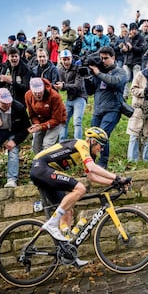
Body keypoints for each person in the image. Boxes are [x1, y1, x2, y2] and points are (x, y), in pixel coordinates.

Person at [30, 126, 129, 267]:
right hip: (41, 167)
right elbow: (94, 169)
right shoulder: (82, 144)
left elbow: (91, 176)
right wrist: (118, 177)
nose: (101, 149)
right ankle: (52, 223)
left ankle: (68, 254)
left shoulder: (88, 153)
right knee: (80, 188)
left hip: (46, 172)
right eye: (100, 146)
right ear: (92, 141)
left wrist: (114, 182)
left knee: (68, 210)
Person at [84, 46, 128, 169]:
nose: (103, 61)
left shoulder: (120, 71)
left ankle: (103, 163)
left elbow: (115, 82)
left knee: (102, 135)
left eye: (106, 58)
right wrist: (87, 78)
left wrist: (98, 73)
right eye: (101, 58)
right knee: (92, 137)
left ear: (113, 58)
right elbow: (90, 91)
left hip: (113, 109)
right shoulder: (98, 72)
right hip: (98, 110)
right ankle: (90, 163)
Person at [25, 77, 67, 154]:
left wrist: (42, 126)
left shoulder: (54, 96)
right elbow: (32, 114)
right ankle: (38, 162)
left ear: (44, 89)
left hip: (57, 121)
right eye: (35, 92)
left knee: (47, 144)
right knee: (36, 145)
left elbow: (56, 119)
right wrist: (37, 124)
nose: (37, 94)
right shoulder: (28, 95)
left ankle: (48, 163)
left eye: (40, 92)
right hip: (41, 120)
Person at [54, 50, 88, 141]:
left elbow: (78, 86)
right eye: (64, 59)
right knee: (63, 121)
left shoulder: (78, 68)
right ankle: (62, 142)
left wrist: (64, 86)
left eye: (68, 59)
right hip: (69, 98)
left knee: (77, 121)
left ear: (71, 59)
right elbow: (62, 85)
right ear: (61, 60)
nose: (66, 61)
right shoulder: (60, 70)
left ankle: (78, 143)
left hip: (80, 97)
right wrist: (59, 86)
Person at [122, 22, 147, 99]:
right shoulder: (126, 37)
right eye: (132, 29)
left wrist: (132, 47)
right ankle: (125, 95)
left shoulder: (141, 38)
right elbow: (122, 49)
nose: (134, 31)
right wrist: (123, 49)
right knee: (125, 79)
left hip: (137, 62)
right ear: (130, 30)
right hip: (127, 62)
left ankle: (135, 95)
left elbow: (142, 49)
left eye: (135, 29)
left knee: (136, 80)